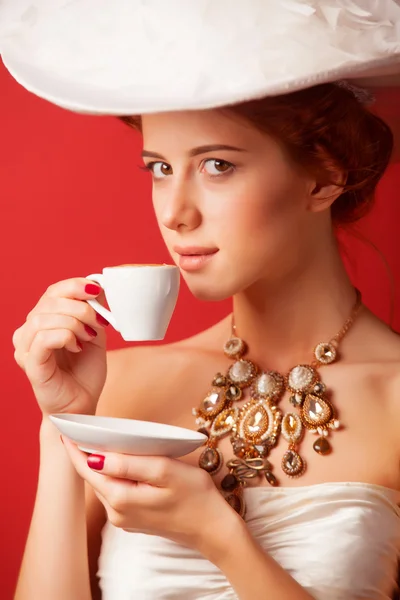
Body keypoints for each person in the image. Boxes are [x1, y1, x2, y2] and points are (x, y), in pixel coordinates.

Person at [3, 1, 400, 599]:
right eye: (160, 168)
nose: (174, 213)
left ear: (326, 174)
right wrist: (62, 429)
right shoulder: (116, 386)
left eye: (217, 165)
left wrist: (220, 538)